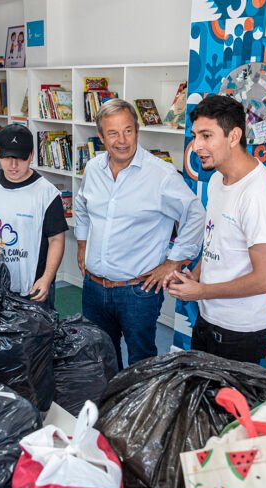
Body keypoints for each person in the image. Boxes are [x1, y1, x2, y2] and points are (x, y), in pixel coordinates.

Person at [74, 99, 204, 368]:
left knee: (141, 362)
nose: (122, 140)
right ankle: (106, 409)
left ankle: (139, 411)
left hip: (138, 292)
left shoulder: (161, 175)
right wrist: (82, 244)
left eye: (128, 130)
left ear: (137, 130)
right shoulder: (93, 169)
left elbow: (195, 214)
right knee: (99, 357)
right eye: (113, 133)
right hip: (94, 287)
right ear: (101, 136)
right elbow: (82, 207)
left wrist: (173, 262)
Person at [164, 95, 266, 364]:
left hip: (240, 332)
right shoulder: (218, 180)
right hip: (209, 319)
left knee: (227, 406)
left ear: (234, 136)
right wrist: (193, 277)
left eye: (207, 136)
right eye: (195, 136)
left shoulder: (259, 195)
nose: (196, 146)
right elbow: (215, 243)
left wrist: (201, 292)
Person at [0, 124, 67, 309]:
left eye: (20, 158)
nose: (13, 165)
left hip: (34, 286)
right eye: (7, 157)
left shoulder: (47, 193)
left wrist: (46, 279)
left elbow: (56, 240)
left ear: (31, 155)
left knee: (38, 336)